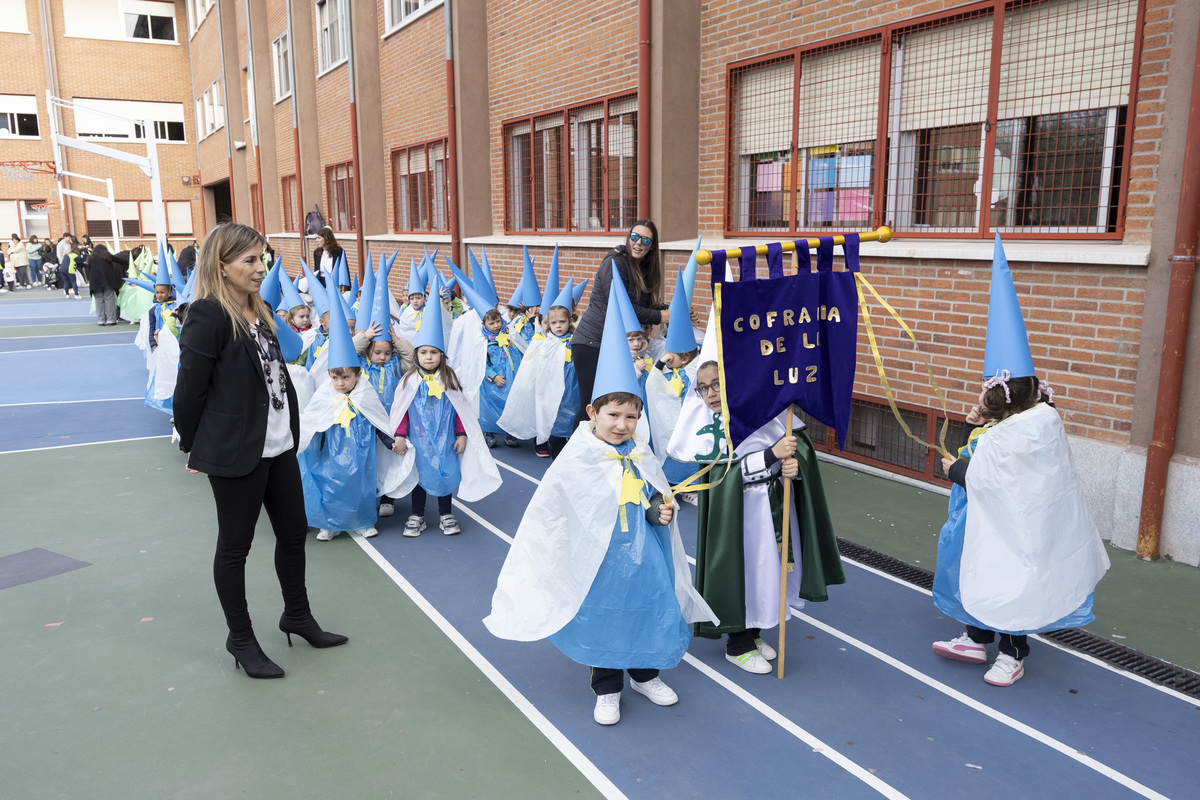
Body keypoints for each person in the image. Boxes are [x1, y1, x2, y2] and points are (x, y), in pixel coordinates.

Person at [484, 270, 717, 726]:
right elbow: (558, 513)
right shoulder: (579, 457)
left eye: (632, 416)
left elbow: (650, 496)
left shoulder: (640, 451)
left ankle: (646, 674)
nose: (622, 425)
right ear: (593, 412)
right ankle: (607, 686)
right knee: (605, 613)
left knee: (649, 605)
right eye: (613, 415)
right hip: (598, 556)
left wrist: (660, 510)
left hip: (643, 552)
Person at [931, 236, 1109, 687]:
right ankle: (975, 635)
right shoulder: (1037, 416)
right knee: (980, 570)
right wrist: (981, 424)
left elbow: (994, 480)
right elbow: (999, 454)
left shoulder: (1021, 433)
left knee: (1015, 579)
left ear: (1002, 405)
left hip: (1022, 528)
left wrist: (954, 468)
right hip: (993, 520)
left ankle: (1013, 652)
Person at [174, 222, 347, 680]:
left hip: (279, 445)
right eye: (249, 260)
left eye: (261, 258)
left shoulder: (261, 309)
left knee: (293, 534)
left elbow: (276, 375)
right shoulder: (207, 315)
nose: (260, 267)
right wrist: (197, 449)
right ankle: (242, 638)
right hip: (235, 453)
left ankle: (297, 615)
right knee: (235, 549)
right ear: (222, 265)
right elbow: (188, 392)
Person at [668, 359, 845, 675]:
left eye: (716, 384)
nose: (710, 393)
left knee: (769, 572)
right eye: (703, 388)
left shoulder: (766, 416)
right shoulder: (709, 431)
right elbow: (723, 476)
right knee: (743, 573)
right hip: (740, 518)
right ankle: (737, 643)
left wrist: (793, 468)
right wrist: (770, 456)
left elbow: (793, 454)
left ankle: (754, 632)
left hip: (772, 509)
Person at [388, 271, 501, 537]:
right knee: (419, 476)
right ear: (417, 355)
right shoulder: (409, 381)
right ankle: (417, 515)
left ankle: (445, 513)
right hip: (418, 438)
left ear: (442, 355)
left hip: (446, 438)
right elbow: (402, 411)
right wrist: (400, 436)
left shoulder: (450, 378)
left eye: (434, 352)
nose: (429, 357)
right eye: (424, 352)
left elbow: (461, 409)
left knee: (446, 474)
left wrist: (462, 434)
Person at [572, 220, 674, 426]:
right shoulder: (616, 262)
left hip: (612, 345)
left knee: (610, 406)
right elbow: (621, 306)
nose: (638, 243)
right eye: (634, 237)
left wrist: (674, 311)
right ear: (628, 237)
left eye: (645, 240)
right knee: (593, 406)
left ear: (652, 245)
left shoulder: (642, 267)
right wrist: (660, 317)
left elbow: (644, 304)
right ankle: (569, 454)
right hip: (591, 342)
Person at [497, 290, 580, 458]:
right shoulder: (544, 344)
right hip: (549, 390)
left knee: (570, 425)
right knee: (551, 422)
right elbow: (535, 369)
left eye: (562, 322)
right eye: (553, 322)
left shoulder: (575, 341)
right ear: (547, 323)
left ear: (570, 321)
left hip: (570, 392)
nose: (558, 326)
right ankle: (549, 448)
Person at [479, 309, 522, 449]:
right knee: (490, 408)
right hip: (492, 383)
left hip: (511, 379)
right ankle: (488, 432)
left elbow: (519, 352)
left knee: (510, 405)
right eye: (491, 323)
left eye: (498, 321)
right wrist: (493, 376)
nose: (496, 325)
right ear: (484, 324)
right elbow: (480, 364)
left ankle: (510, 432)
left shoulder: (510, 334)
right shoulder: (482, 341)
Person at [88, 245, 124, 325]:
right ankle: (111, 319)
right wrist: (131, 262)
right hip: (108, 281)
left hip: (95, 282)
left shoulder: (91, 258)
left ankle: (101, 320)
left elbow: (89, 271)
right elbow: (119, 260)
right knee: (109, 300)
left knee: (99, 301)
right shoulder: (107, 256)